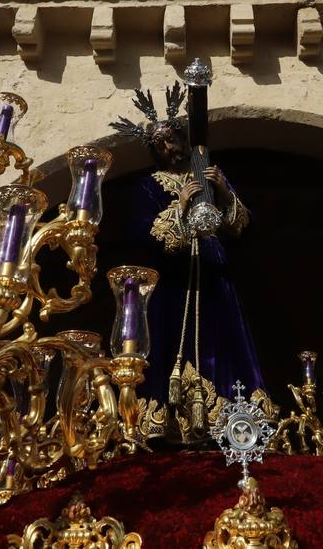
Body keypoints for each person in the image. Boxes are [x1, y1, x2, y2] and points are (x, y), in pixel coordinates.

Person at [110, 84, 262, 435]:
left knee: (221, 334)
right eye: (160, 144)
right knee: (169, 336)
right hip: (174, 276)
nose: (169, 148)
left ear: (182, 139)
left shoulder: (207, 173)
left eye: (172, 140)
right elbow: (142, 233)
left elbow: (241, 226)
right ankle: (168, 419)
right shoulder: (149, 185)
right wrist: (179, 206)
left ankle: (230, 417)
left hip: (212, 269)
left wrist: (223, 190)